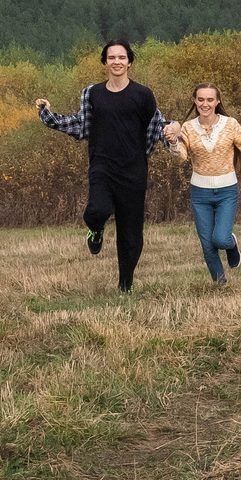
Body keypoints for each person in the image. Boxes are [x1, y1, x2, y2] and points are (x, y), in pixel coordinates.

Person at [35, 39, 169, 293]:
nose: (116, 62)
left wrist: (172, 132)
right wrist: (48, 114)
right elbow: (80, 125)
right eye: (111, 58)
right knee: (97, 209)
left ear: (129, 61)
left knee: (131, 233)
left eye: (121, 57)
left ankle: (125, 285)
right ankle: (95, 231)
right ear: (104, 62)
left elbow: (157, 125)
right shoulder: (92, 93)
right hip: (102, 166)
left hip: (134, 169)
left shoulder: (143, 94)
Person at [164, 82, 241, 287]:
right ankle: (220, 284)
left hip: (227, 191)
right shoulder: (188, 127)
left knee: (220, 239)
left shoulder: (230, 124)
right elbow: (182, 156)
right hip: (200, 193)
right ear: (195, 101)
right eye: (201, 99)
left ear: (217, 101)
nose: (205, 104)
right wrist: (172, 143)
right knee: (207, 245)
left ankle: (231, 244)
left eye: (210, 99)